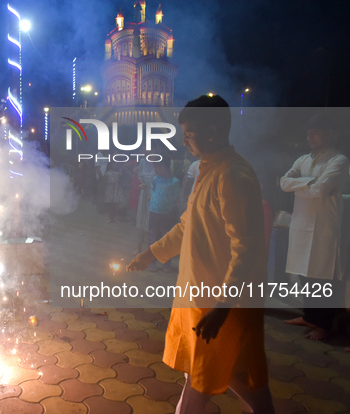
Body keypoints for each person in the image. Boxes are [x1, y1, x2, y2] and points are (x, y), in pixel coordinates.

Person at [127, 95, 274, 414]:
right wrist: (151, 253)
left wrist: (223, 306)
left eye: (188, 133)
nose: (184, 140)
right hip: (199, 295)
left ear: (211, 132)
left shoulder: (233, 176)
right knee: (238, 377)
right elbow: (186, 226)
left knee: (206, 378)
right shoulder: (208, 170)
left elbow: (246, 247)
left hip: (222, 303)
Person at [280, 113, 349, 340]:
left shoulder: (338, 160)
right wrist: (309, 183)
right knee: (303, 273)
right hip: (301, 224)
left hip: (323, 227)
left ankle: (324, 325)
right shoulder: (303, 160)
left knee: (322, 276)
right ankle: (310, 315)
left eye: (315, 133)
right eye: (308, 134)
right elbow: (283, 182)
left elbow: (321, 190)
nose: (310, 137)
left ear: (329, 133)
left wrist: (299, 185)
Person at [148, 157, 181, 272]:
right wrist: (153, 201)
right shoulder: (156, 179)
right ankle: (151, 262)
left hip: (168, 213)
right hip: (154, 211)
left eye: (156, 167)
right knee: (153, 237)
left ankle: (166, 263)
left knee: (167, 238)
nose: (155, 169)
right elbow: (153, 190)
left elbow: (175, 197)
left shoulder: (175, 181)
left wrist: (170, 208)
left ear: (162, 167)